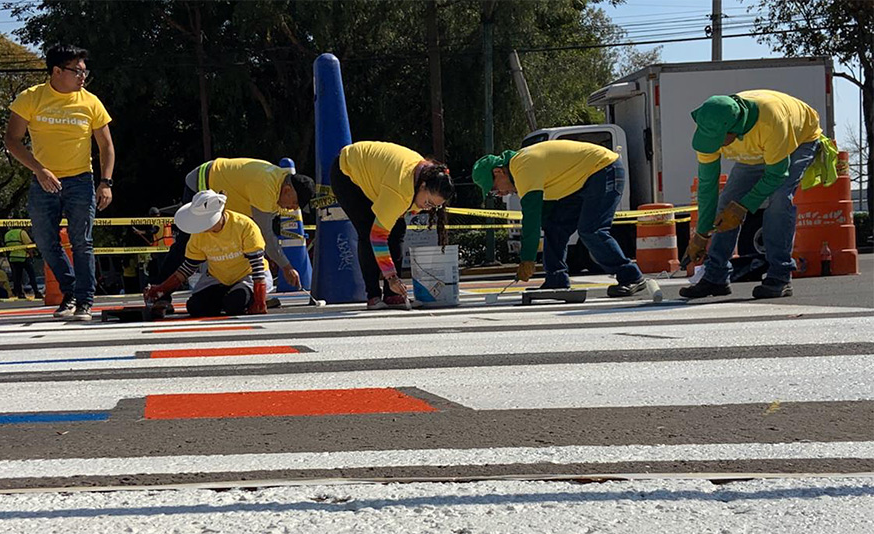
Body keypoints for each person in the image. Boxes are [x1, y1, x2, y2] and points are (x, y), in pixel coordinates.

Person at [4, 44, 115, 321]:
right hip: (43, 180)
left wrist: (106, 183)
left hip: (80, 180)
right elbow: (11, 140)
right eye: (77, 71)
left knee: (82, 242)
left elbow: (106, 146)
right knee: (44, 241)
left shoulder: (91, 102)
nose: (83, 76)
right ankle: (70, 292)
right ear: (56, 71)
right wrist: (39, 170)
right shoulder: (31, 98)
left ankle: (85, 301)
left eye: (84, 71)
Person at [681, 89, 821, 299]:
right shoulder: (711, 129)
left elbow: (776, 175)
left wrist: (743, 206)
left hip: (797, 140)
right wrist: (700, 236)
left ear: (733, 130)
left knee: (779, 199)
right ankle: (715, 277)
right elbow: (708, 186)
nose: (714, 145)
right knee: (727, 202)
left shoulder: (771, 121)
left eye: (719, 140)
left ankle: (780, 276)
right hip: (757, 149)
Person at [472, 140, 647, 297]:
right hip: (584, 179)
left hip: (604, 169)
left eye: (495, 189)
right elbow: (545, 216)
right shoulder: (523, 168)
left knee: (591, 230)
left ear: (498, 171)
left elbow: (531, 219)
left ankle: (631, 276)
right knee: (555, 227)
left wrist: (527, 259)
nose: (501, 193)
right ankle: (556, 279)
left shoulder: (522, 167)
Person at [151, 158, 315, 312]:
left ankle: (245, 291)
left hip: (224, 193)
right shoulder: (265, 186)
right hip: (204, 184)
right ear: (287, 190)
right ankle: (160, 294)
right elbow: (266, 235)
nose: (292, 209)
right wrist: (287, 267)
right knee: (186, 242)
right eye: (294, 203)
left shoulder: (277, 182)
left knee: (243, 240)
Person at [331, 141, 454, 309]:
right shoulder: (401, 190)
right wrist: (391, 277)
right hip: (347, 172)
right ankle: (373, 295)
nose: (427, 208)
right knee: (368, 231)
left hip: (377, 175)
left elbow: (408, 210)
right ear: (423, 186)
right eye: (428, 202)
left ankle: (392, 295)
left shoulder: (426, 174)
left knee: (397, 230)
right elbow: (377, 237)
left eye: (434, 206)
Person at [144, 190, 271, 317]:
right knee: (195, 307)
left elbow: (257, 267)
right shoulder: (199, 233)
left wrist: (260, 300)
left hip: (247, 276)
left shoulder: (244, 226)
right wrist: (161, 289)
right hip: (218, 278)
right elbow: (187, 268)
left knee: (235, 304)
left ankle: (241, 299)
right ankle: (228, 299)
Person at [4, 227, 44, 299]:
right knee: (31, 275)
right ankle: (36, 292)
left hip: (13, 258)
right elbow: (29, 245)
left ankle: (20, 293)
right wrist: (31, 254)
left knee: (17, 277)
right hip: (24, 257)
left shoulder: (7, 234)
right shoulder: (21, 232)